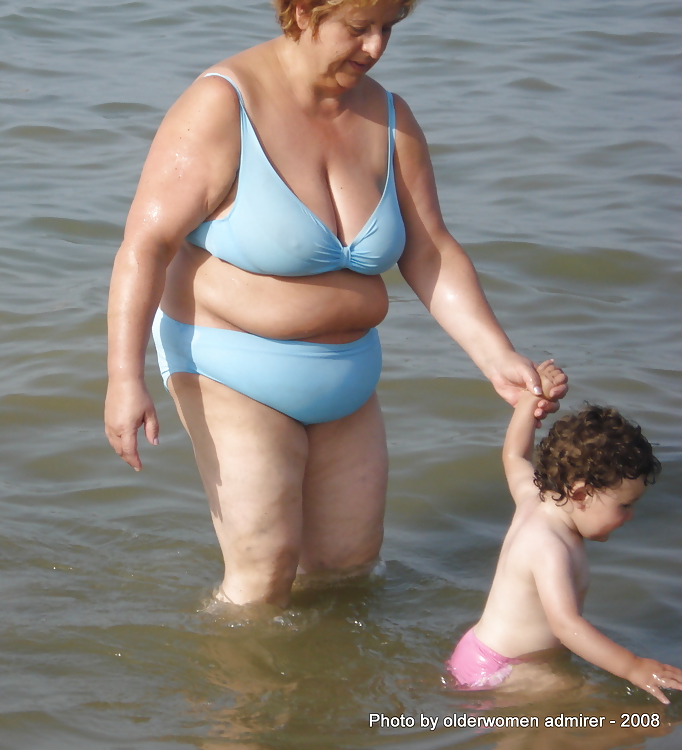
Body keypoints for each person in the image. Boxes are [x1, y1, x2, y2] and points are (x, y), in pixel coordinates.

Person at [104, 0, 566, 607]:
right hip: (230, 364)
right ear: (301, 11)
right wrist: (122, 376)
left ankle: (328, 702)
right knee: (263, 575)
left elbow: (430, 252)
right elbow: (146, 245)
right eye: (358, 28)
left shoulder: (390, 117)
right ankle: (235, 700)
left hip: (349, 374)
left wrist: (495, 355)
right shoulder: (221, 105)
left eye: (388, 30)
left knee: (348, 571)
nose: (375, 48)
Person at [446, 362, 681, 704]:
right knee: (594, 710)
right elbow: (566, 626)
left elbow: (514, 455)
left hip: (481, 651)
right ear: (583, 494)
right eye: (624, 506)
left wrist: (530, 401)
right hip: (505, 669)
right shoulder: (549, 545)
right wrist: (633, 667)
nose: (630, 517)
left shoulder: (533, 499)